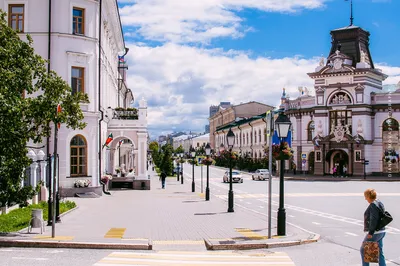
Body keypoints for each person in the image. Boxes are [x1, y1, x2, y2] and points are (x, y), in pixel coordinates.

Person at [360, 189, 387, 266]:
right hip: (382, 231)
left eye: (365, 197)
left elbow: (373, 219)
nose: (365, 199)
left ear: (369, 196)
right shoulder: (379, 202)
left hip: (375, 232)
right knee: (379, 252)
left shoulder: (373, 205)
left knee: (363, 250)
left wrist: (370, 232)